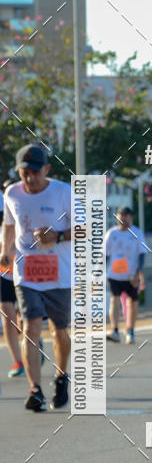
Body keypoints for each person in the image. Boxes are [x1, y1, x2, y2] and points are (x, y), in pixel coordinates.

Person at [0, 145, 72, 411]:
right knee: (30, 328)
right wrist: (6, 251)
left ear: (46, 169)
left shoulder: (63, 192)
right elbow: (9, 224)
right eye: (23, 172)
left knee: (59, 331)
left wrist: (58, 236)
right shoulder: (12, 193)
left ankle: (61, 377)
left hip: (59, 274)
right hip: (26, 272)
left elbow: (87, 227)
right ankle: (36, 389)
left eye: (34, 172)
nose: (29, 178)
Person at [104, 206, 148, 345]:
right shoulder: (111, 233)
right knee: (114, 301)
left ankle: (130, 331)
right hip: (115, 275)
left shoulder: (136, 233)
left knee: (132, 303)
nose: (123, 218)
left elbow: (142, 253)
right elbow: (104, 254)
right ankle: (115, 330)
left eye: (126, 215)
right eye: (120, 215)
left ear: (131, 217)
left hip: (131, 275)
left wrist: (138, 272)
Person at [0, 185, 25, 377]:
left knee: (24, 317)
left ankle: (31, 341)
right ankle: (18, 361)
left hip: (25, 269)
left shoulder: (22, 207)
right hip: (3, 271)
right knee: (7, 315)